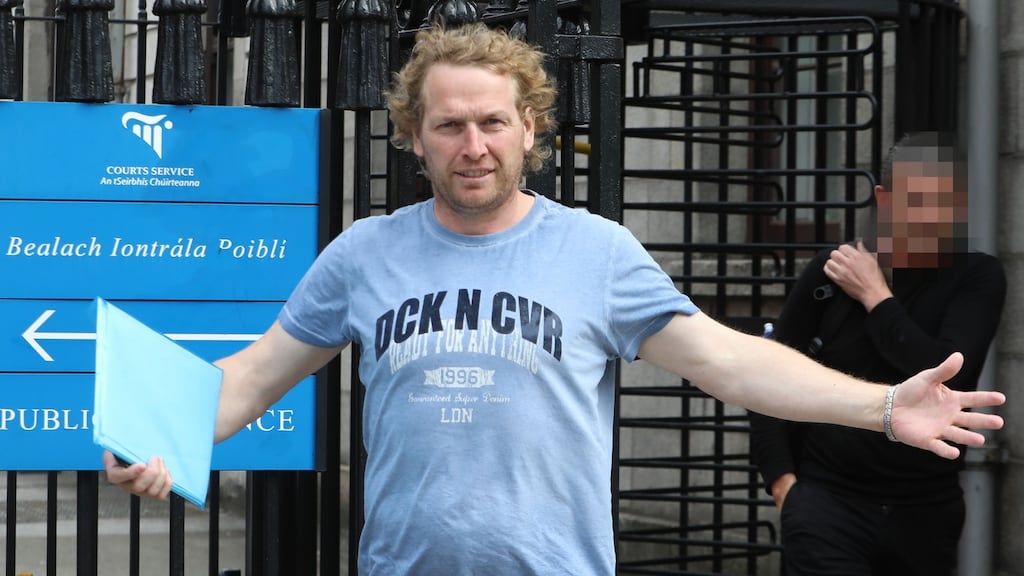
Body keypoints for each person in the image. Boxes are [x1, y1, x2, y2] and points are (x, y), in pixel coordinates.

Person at [104, 25, 1005, 576]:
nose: (473, 144)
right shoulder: (363, 255)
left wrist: (884, 405)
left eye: (493, 121)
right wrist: (165, 433)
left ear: (530, 129)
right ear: (414, 135)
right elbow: (255, 377)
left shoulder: (596, 252)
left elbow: (729, 360)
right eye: (450, 123)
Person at [749, 132, 1006, 576]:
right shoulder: (833, 270)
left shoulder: (977, 276)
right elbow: (769, 376)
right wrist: (783, 484)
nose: (933, 216)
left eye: (946, 201)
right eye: (918, 200)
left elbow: (949, 378)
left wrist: (876, 297)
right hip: (828, 504)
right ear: (885, 199)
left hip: (924, 511)